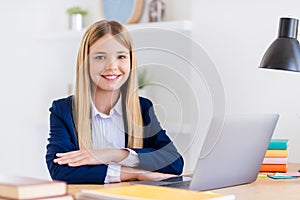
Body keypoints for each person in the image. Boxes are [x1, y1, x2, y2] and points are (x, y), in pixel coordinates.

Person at [46, 20, 184, 184]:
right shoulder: (64, 110)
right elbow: (60, 170)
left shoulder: (142, 107)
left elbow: (174, 162)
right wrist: (133, 173)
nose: (112, 66)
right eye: (100, 57)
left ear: (131, 61)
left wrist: (115, 154)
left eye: (121, 56)